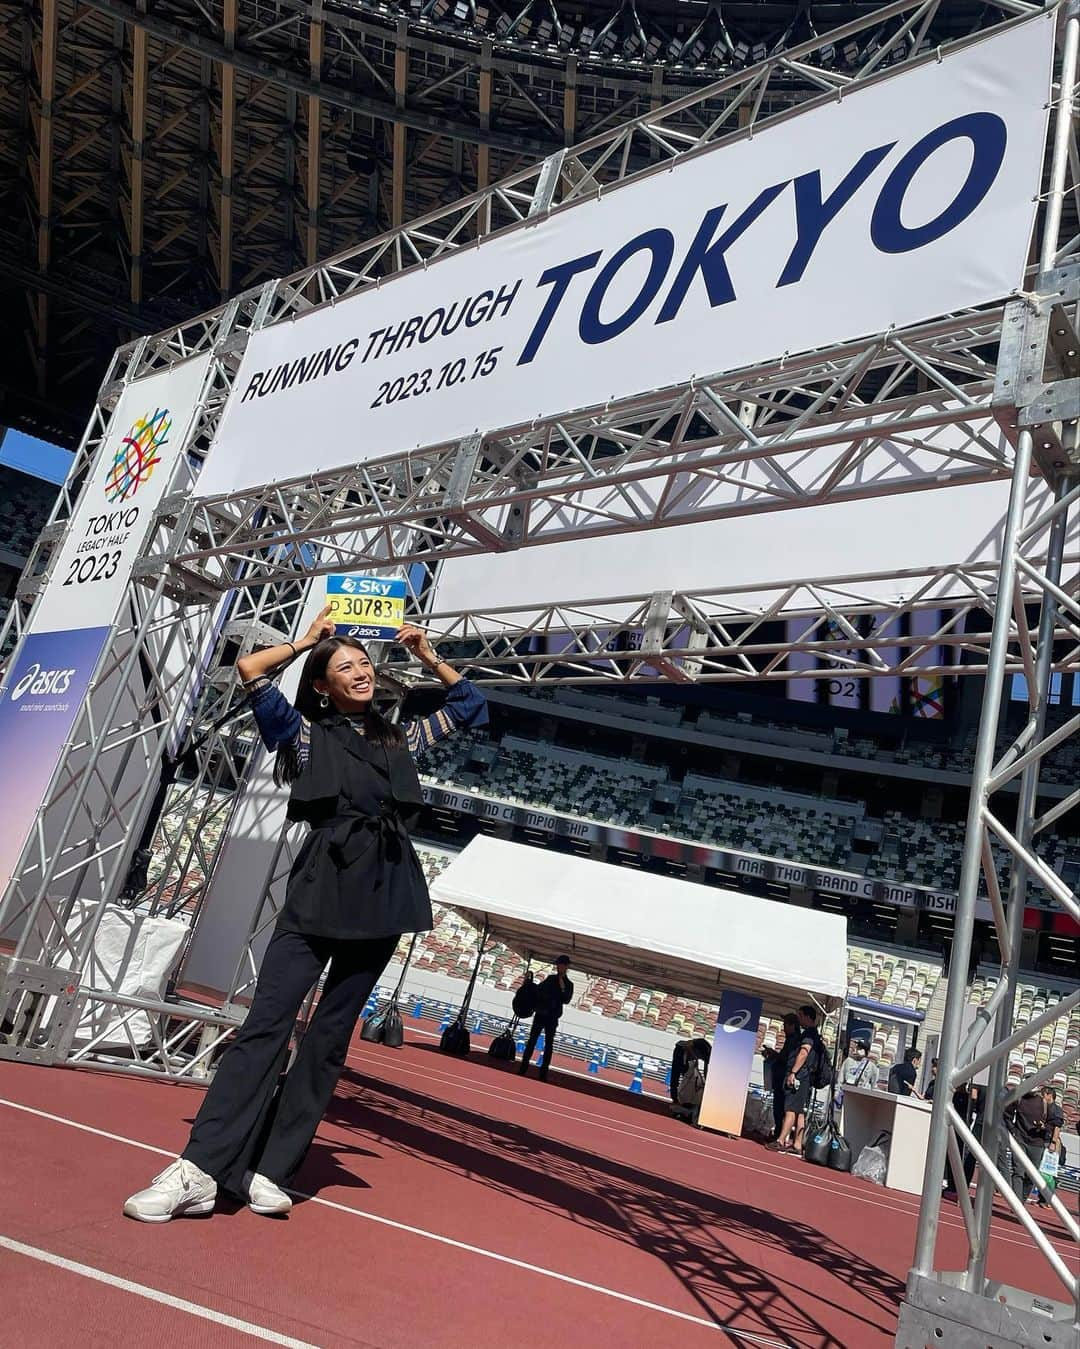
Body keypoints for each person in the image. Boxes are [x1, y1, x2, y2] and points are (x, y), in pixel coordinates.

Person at [123, 609, 487, 1222]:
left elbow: (471, 705)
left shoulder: (400, 736)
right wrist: (308, 641)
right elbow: (250, 669)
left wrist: (427, 657)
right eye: (345, 666)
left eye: (365, 663)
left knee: (327, 1040)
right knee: (268, 1021)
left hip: (387, 890)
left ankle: (273, 1166)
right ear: (322, 684)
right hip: (321, 885)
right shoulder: (303, 735)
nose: (361, 671)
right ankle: (199, 1167)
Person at [768, 1004, 822, 1154]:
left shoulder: (808, 1035)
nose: (799, 1019)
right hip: (805, 1076)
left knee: (790, 1109)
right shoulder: (813, 1034)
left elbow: (804, 1053)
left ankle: (781, 1140)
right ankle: (797, 1144)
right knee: (799, 1111)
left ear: (806, 1016)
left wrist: (793, 1072)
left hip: (800, 1075)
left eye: (800, 1015)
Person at [518, 955, 573, 1081]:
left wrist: (562, 984)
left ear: (566, 966)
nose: (559, 967)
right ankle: (523, 1067)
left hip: (553, 1017)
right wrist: (528, 983)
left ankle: (543, 1072)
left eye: (561, 965)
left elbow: (566, 999)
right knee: (531, 1041)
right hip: (541, 1014)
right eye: (558, 964)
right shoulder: (550, 979)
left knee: (549, 1044)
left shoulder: (569, 984)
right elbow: (538, 991)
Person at [1003, 1087, 1047, 1203]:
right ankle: (1017, 1203)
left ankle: (1021, 1200)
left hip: (1037, 1142)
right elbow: (1007, 1115)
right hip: (1020, 1139)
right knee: (1018, 1171)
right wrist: (1013, 1130)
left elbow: (1052, 1123)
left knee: (1031, 1175)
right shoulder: (1018, 1099)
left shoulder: (1043, 1102)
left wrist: (1043, 1127)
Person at [761, 1014, 800, 1138]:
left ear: (792, 1025)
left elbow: (786, 1059)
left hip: (784, 1078)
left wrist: (773, 1054)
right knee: (779, 1108)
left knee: (781, 1108)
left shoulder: (794, 1040)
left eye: (785, 1025)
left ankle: (779, 1135)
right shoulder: (791, 1039)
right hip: (781, 1077)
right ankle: (778, 1133)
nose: (783, 1028)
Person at [1036, 1086, 1065, 1207]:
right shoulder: (1044, 1108)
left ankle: (1047, 1199)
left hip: (1050, 1142)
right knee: (1042, 1171)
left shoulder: (1056, 1110)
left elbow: (1057, 1127)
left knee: (1048, 1172)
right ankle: (1043, 1198)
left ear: (1049, 1095)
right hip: (1043, 1139)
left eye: (1043, 1095)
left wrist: (1053, 1142)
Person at [836, 1036, 878, 1110]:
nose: (858, 1049)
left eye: (861, 1048)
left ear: (867, 1051)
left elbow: (873, 1086)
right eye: (858, 1047)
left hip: (861, 1098)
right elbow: (840, 1079)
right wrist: (837, 1094)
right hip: (847, 1095)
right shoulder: (848, 1061)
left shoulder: (872, 1067)